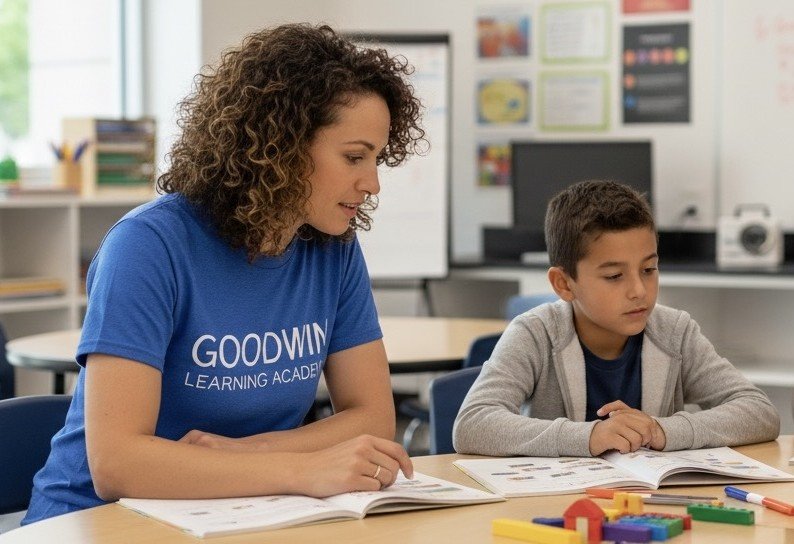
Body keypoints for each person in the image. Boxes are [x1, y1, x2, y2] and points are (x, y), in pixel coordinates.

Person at [23, 23, 425, 524]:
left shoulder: (333, 248)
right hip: (99, 520)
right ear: (282, 144)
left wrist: (246, 453)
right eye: (354, 157)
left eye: (377, 159)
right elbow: (118, 466)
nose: (372, 184)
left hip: (239, 513)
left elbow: (372, 417)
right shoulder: (149, 247)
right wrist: (301, 468)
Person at [454, 180, 779, 458]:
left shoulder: (675, 332)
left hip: (653, 506)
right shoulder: (536, 334)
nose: (639, 290)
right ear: (564, 284)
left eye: (649, 270)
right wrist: (589, 436)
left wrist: (661, 429)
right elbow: (473, 424)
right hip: (559, 510)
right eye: (614, 276)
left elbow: (758, 411)